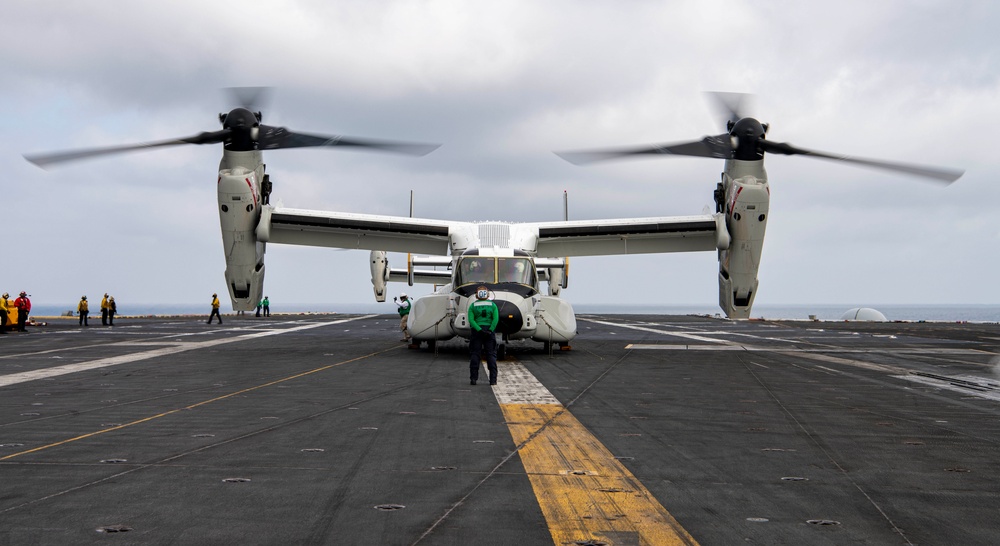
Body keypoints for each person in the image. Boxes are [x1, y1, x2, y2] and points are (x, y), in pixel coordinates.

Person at [467, 286, 499, 385]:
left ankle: (473, 378)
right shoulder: (493, 305)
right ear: (487, 294)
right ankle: (493, 380)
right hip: (489, 331)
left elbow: (471, 320)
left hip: (477, 332)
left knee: (475, 354)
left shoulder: (473, 306)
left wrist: (479, 330)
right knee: (491, 355)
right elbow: (495, 319)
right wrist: (490, 330)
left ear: (477, 294)